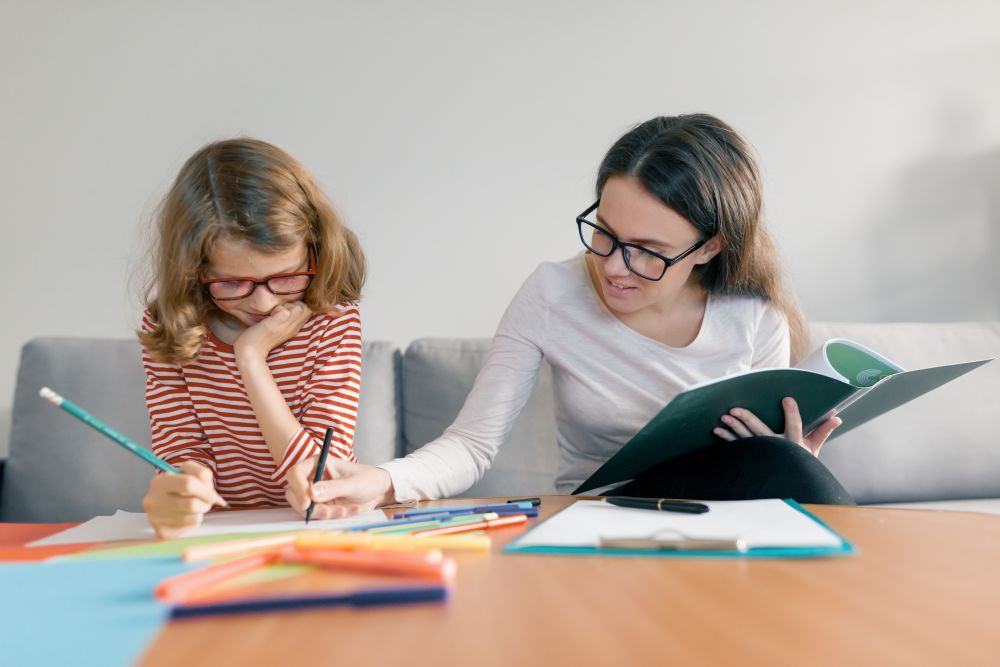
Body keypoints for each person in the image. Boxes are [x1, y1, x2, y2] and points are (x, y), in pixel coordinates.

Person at [290, 113, 853, 518]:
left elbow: (765, 475)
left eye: (648, 251)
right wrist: (385, 479)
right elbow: (472, 444)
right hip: (606, 511)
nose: (614, 267)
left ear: (708, 247)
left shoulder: (753, 318)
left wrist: (784, 452)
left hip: (722, 517)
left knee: (777, 460)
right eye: (604, 236)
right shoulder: (552, 294)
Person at [137, 138, 366, 538]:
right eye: (231, 283)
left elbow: (318, 466)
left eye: (287, 276)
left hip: (319, 530)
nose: (263, 302)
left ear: (314, 252)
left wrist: (251, 357)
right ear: (194, 271)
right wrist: (184, 487)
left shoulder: (332, 319)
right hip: (219, 534)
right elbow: (182, 450)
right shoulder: (167, 326)